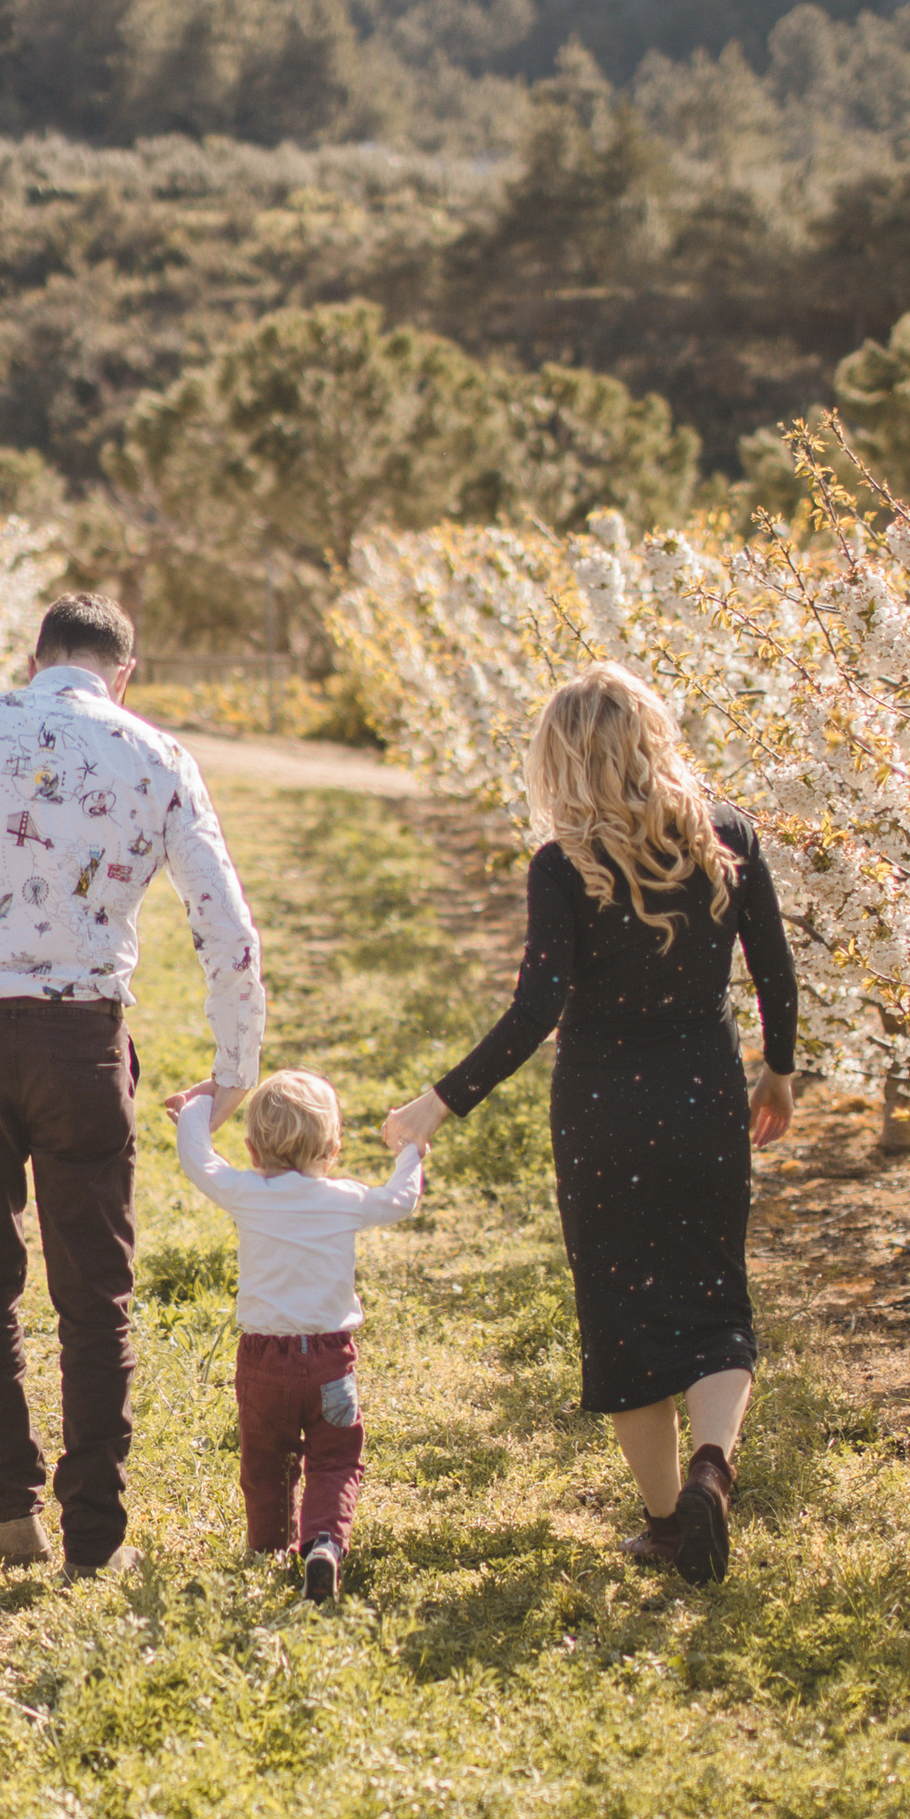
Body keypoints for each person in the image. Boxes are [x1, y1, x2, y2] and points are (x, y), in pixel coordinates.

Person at [0, 590, 264, 1577]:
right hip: (83, 1041)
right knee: (96, 1297)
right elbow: (226, 925)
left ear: (34, 657)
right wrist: (236, 1067)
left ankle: (8, 1512)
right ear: (124, 674)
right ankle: (96, 1535)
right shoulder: (157, 756)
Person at [383, 663, 796, 1582]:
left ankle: (665, 1526)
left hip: (605, 1112)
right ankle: (713, 1467)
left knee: (625, 1317)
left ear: (560, 761)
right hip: (705, 1100)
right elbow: (773, 969)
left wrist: (437, 1103)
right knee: (717, 1299)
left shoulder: (565, 864)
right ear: (654, 736)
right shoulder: (728, 835)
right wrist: (779, 1073)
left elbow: (537, 1010)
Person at [169, 1066, 425, 1604]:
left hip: (263, 1360)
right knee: (335, 1459)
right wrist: (411, 1153)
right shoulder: (345, 1198)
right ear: (332, 1148)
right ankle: (325, 1544)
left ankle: (268, 1550)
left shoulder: (246, 1192)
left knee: (266, 1461)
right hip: (332, 1362)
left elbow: (199, 1160)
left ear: (252, 1149)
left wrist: (194, 1108)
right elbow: (400, 1201)